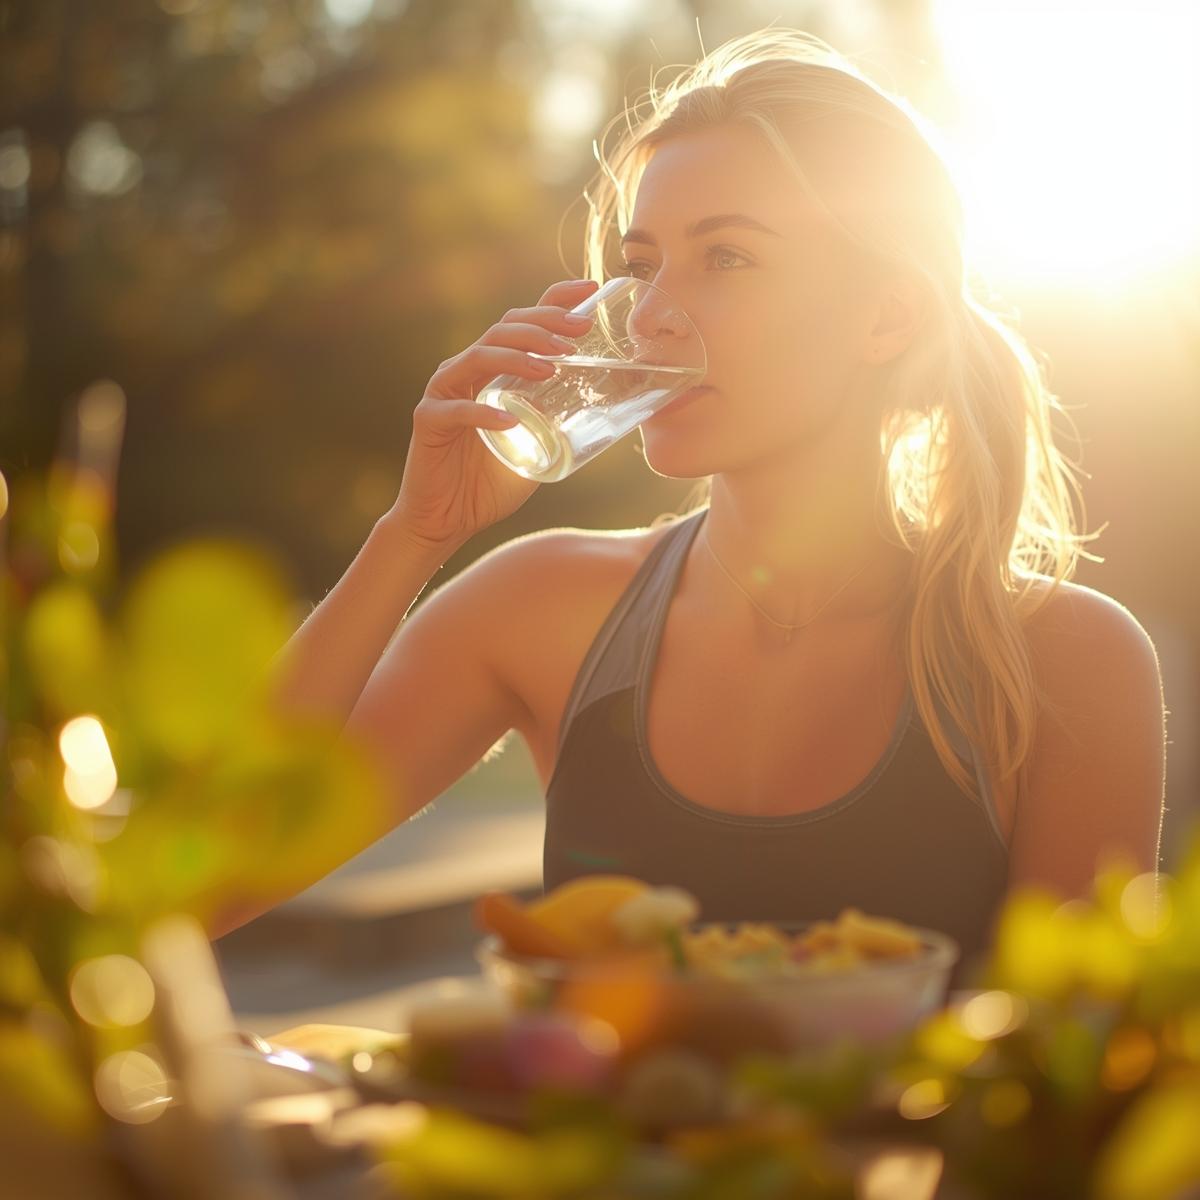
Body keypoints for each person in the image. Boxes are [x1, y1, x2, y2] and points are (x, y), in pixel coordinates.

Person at [220, 29, 1166, 981]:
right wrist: (412, 537)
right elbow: (205, 881)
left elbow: (1070, 1076)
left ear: (887, 316)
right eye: (644, 265)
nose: (657, 314)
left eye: (728, 259)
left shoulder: (1062, 660)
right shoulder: (539, 607)